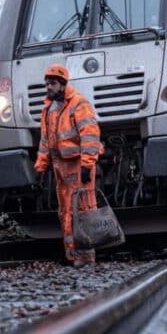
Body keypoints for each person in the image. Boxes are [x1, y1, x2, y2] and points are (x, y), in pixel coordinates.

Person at [33, 64, 104, 267]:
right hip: (60, 167)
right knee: (65, 210)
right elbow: (46, 141)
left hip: (77, 164)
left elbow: (90, 134)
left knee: (82, 209)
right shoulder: (48, 109)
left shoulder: (78, 103)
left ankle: (85, 255)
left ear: (63, 84)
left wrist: (87, 163)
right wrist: (41, 166)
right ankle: (73, 254)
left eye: (53, 83)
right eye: (47, 83)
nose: (49, 87)